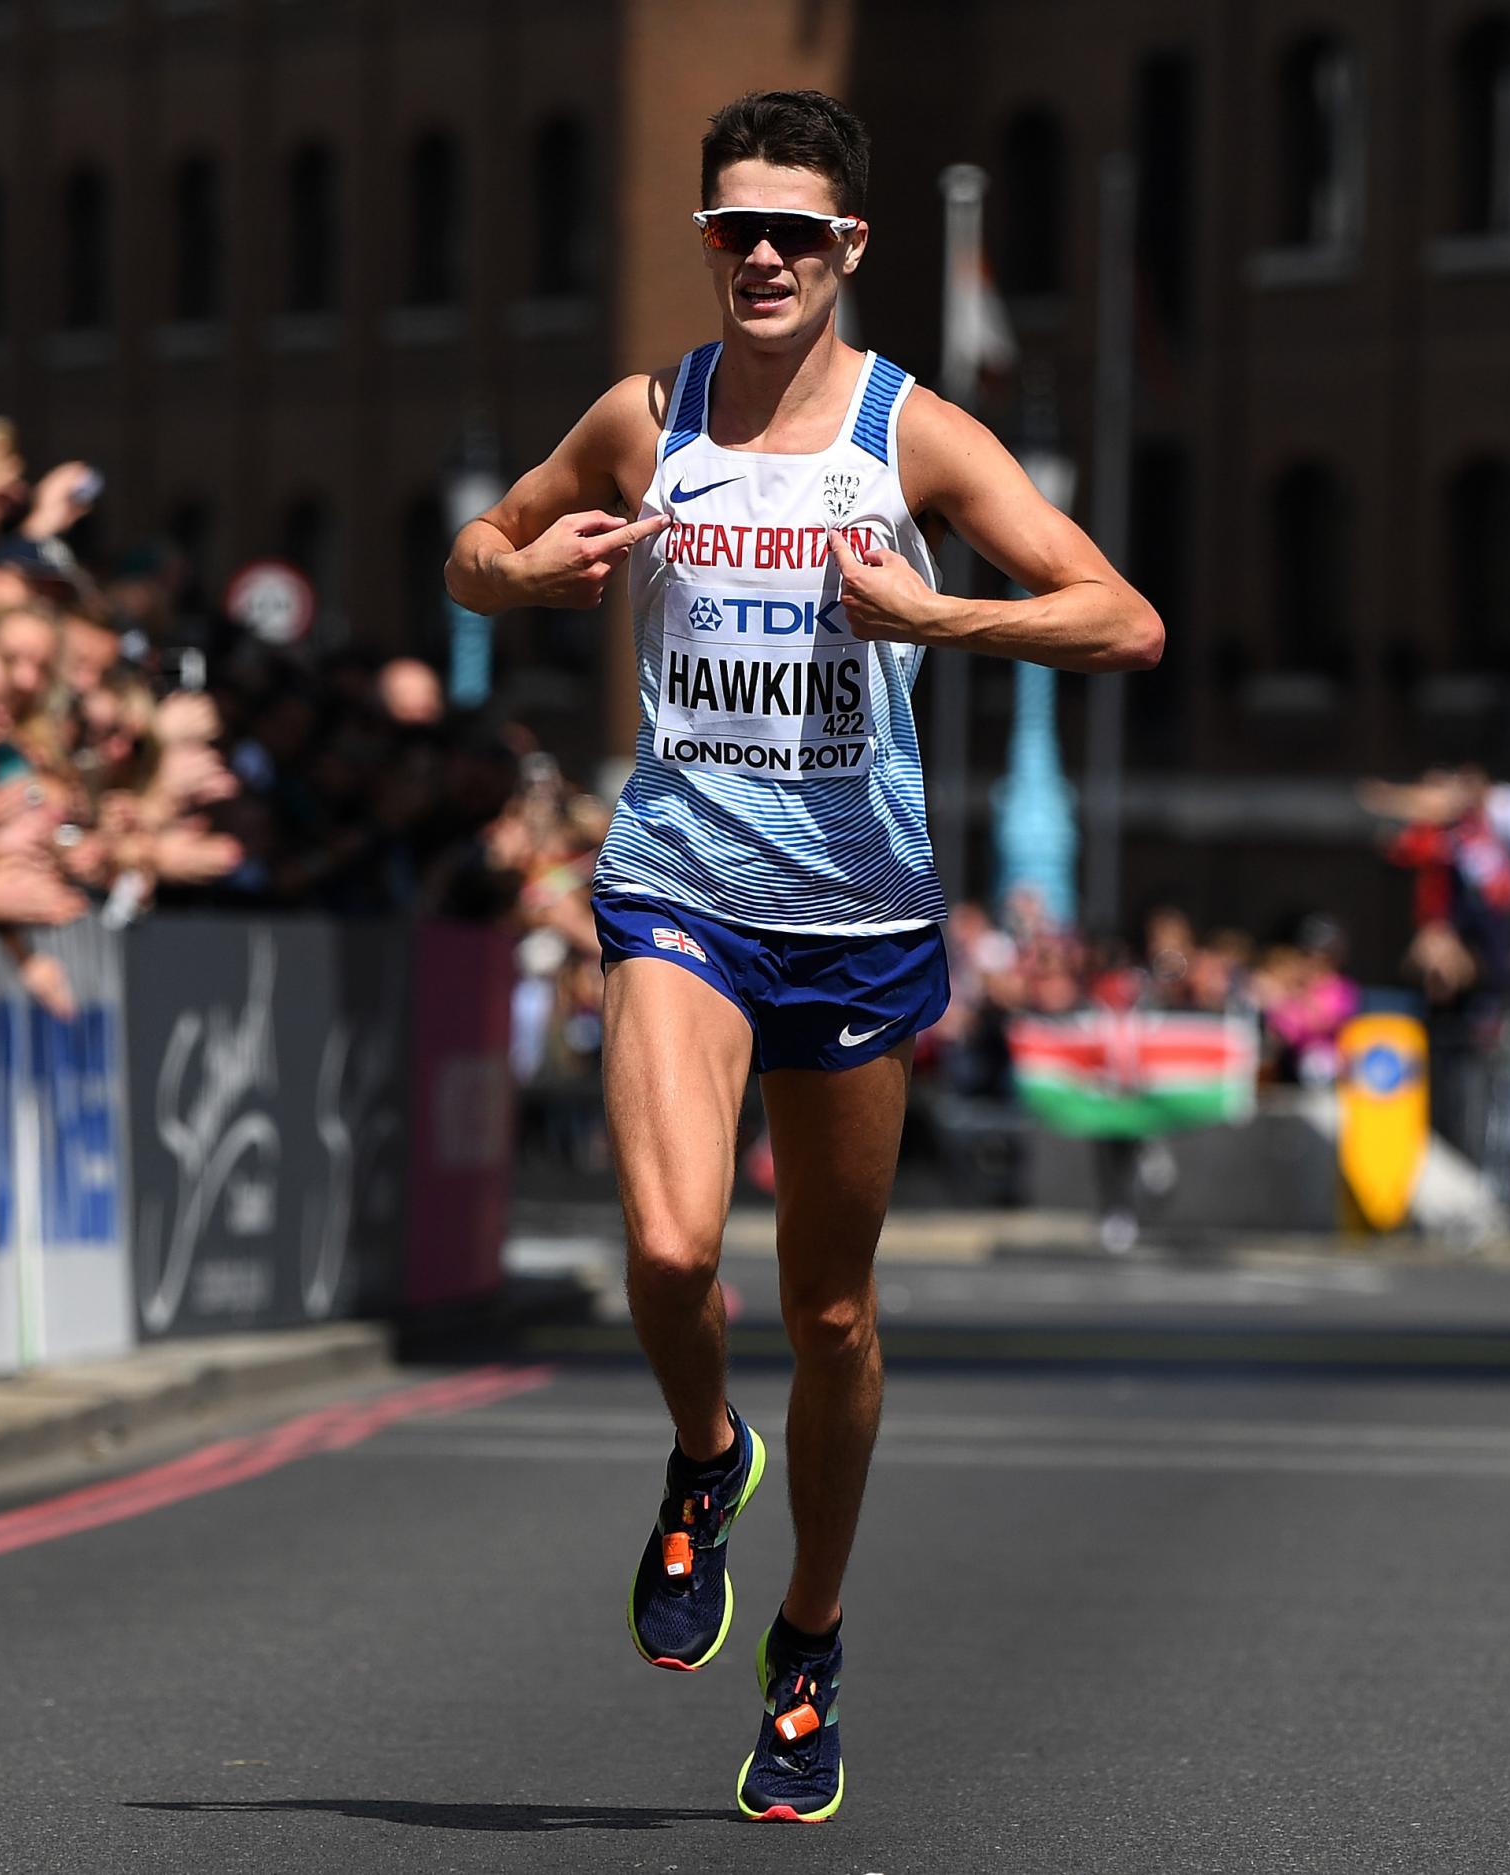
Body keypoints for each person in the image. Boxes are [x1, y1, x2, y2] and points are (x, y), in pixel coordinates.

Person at [445, 89, 1160, 1823]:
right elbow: (476, 553)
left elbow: (1123, 618)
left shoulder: (916, 437)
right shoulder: (646, 414)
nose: (760, 257)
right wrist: (535, 587)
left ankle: (811, 1641)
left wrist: (939, 616)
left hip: (857, 917)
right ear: (703, 242)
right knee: (674, 1248)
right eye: (731, 229)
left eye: (796, 233)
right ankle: (707, 1455)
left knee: (829, 1304)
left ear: (850, 250)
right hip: (679, 881)